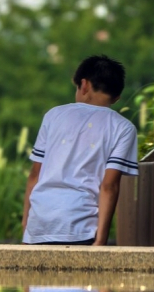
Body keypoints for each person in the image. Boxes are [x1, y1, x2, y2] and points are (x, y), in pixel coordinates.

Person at [22, 55, 138, 246]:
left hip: (40, 225)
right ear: (117, 97)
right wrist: (100, 240)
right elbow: (110, 187)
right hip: (81, 228)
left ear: (83, 86)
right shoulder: (123, 128)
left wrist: (26, 223)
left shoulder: (53, 115)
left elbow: (35, 174)